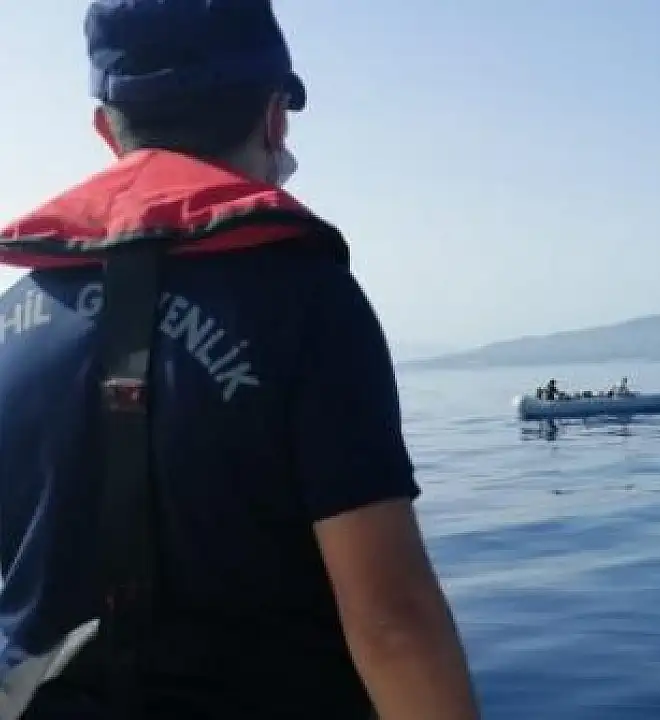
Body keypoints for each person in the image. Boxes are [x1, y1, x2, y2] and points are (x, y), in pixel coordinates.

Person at [0, 2, 481, 719]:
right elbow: (393, 623)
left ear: (105, 128)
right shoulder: (309, 301)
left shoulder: (14, 320)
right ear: (275, 118)